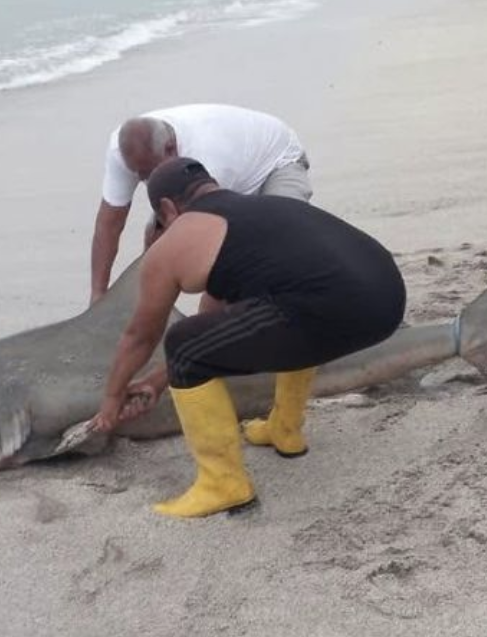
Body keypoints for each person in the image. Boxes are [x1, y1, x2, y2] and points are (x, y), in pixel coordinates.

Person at [90, 158, 406, 519]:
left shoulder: (179, 238)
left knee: (180, 343)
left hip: (331, 310)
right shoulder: (263, 211)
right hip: (387, 300)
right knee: (284, 306)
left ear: (166, 209)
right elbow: (223, 328)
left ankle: (222, 484)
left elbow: (140, 337)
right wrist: (158, 381)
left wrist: (111, 401)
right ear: (214, 185)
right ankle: (284, 429)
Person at [89, 104, 311, 306]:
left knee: (270, 247)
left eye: (151, 172)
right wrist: (97, 296)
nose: (147, 180)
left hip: (276, 164)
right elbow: (109, 224)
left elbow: (221, 246)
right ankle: (154, 306)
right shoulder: (122, 150)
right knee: (156, 236)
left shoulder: (210, 155)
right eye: (140, 175)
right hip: (225, 170)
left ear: (170, 148)